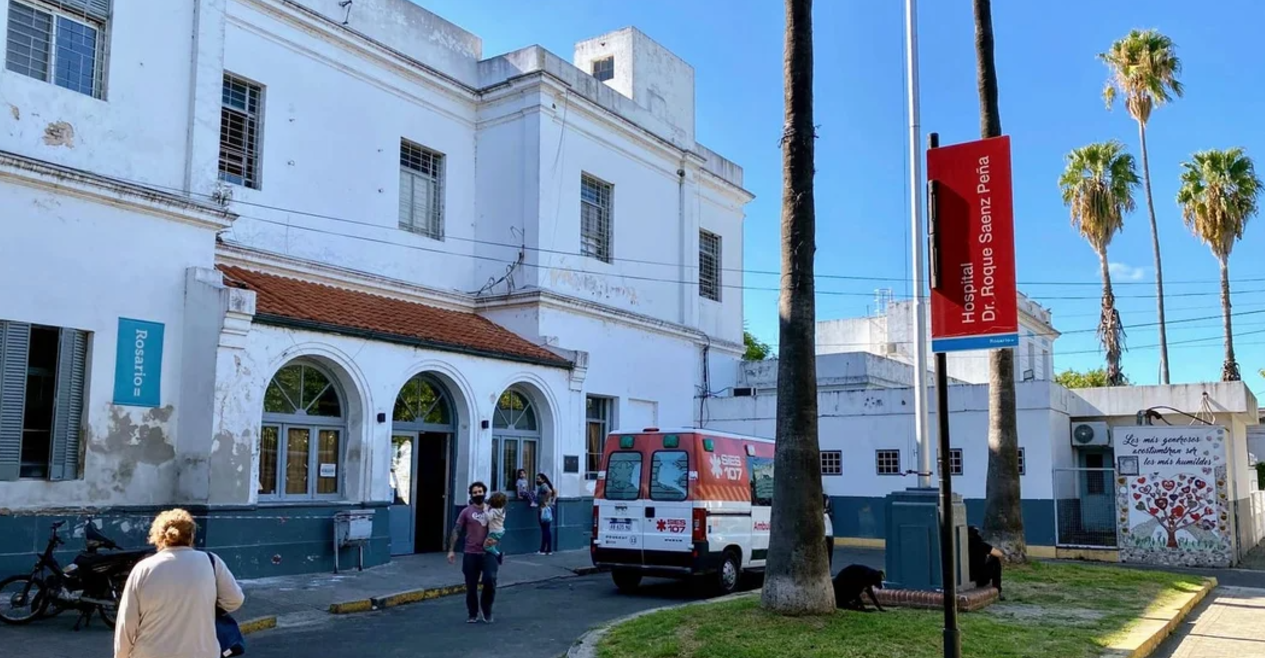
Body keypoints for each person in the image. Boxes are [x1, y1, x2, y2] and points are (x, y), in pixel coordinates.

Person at [114, 509, 244, 658]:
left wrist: (121, 656)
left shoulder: (143, 568)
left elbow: (127, 623)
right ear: (191, 536)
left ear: (158, 537)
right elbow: (235, 599)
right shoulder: (211, 562)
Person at [448, 482, 498, 623]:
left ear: (485, 492)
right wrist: (451, 550)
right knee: (471, 585)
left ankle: (486, 610)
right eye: (475, 492)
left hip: (489, 553)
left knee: (490, 580)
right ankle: (473, 613)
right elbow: (457, 529)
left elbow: (499, 529)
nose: (478, 494)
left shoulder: (492, 511)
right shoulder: (466, 512)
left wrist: (496, 540)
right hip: (470, 553)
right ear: (471, 495)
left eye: (480, 491)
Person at [967, 525, 1004, 599]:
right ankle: (998, 589)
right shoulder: (981, 545)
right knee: (995, 559)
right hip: (981, 578)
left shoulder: (961, 546)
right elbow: (999, 554)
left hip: (967, 577)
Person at [483, 492, 508, 565]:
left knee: (486, 546)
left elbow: (489, 518)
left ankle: (498, 555)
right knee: (492, 544)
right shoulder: (502, 509)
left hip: (494, 532)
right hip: (500, 530)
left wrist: (485, 510)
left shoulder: (494, 510)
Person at [535, 473, 556, 556]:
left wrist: (544, 502)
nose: (537, 480)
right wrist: (552, 501)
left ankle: (543, 550)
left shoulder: (543, 485)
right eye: (537, 478)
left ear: (543, 479)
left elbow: (550, 492)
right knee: (546, 529)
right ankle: (548, 549)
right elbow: (554, 491)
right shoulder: (546, 485)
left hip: (544, 509)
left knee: (545, 530)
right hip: (548, 509)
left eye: (539, 478)